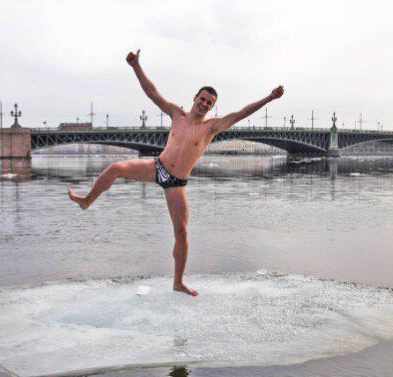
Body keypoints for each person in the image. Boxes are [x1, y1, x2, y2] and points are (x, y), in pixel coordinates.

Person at [68, 50, 284, 296]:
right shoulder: (176, 114)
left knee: (181, 233)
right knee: (116, 168)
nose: (203, 104)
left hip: (176, 183)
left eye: (209, 103)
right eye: (202, 99)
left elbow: (240, 114)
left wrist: (268, 98)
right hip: (156, 167)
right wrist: (136, 66)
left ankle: (178, 282)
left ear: (212, 107)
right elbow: (152, 93)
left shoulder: (210, 128)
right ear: (195, 98)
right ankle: (87, 201)